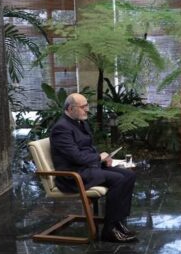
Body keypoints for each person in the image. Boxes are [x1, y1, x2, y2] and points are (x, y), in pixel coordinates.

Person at [50, 93, 137, 243]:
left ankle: (118, 222)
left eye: (87, 106)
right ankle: (109, 230)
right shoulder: (61, 128)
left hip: (88, 168)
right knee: (118, 179)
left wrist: (103, 159)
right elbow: (76, 157)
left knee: (129, 175)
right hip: (72, 175)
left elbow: (87, 149)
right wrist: (98, 158)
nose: (87, 110)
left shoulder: (80, 122)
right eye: (83, 107)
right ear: (70, 108)